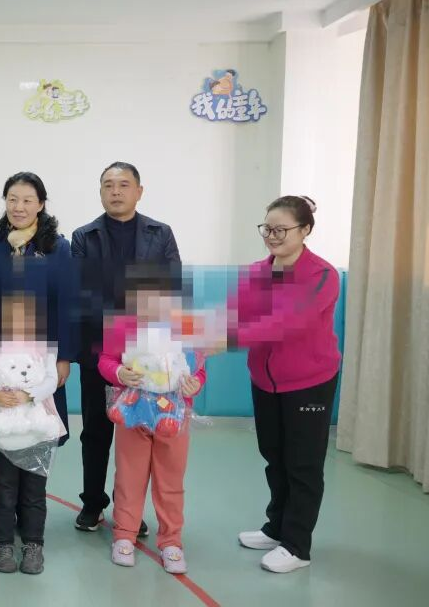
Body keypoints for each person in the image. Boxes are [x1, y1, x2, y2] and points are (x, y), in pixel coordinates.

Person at [0, 172, 75, 574]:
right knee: (2, 435)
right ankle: (3, 524)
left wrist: (65, 357)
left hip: (41, 360)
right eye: (13, 198)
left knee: (36, 432)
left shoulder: (58, 248)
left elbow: (66, 304)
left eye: (28, 200)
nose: (19, 206)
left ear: (41, 204)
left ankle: (31, 532)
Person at [229, 195, 341, 574]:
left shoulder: (322, 275)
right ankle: (276, 527)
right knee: (274, 455)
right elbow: (237, 315)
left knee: (303, 464)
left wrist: (223, 339)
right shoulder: (257, 272)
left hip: (309, 383)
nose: (272, 236)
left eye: (281, 230)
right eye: (267, 229)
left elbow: (288, 323)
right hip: (265, 381)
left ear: (305, 230)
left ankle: (297, 546)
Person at [70, 161, 180, 535]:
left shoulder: (160, 234)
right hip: (98, 351)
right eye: (108, 185)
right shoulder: (84, 237)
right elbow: (81, 292)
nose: (115, 191)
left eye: (123, 184)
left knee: (136, 433)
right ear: (100, 192)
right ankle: (92, 503)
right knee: (96, 431)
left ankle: (129, 510)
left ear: (139, 191)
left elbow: (171, 286)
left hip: (147, 353)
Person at [98, 264, 207, 574]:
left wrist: (196, 383)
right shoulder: (122, 328)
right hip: (133, 413)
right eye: (141, 296)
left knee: (170, 480)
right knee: (129, 477)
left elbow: (199, 369)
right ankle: (124, 535)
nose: (150, 302)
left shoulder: (185, 330)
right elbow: (105, 361)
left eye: (159, 295)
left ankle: (171, 541)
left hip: (174, 415)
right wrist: (119, 373)